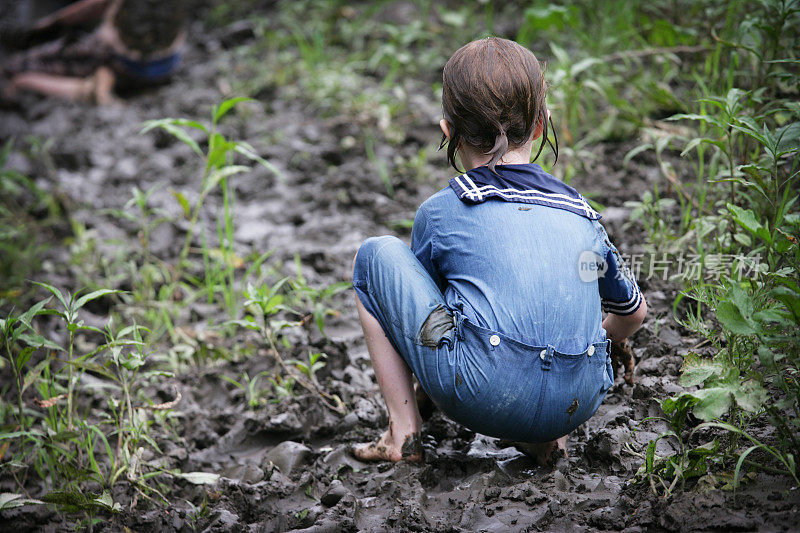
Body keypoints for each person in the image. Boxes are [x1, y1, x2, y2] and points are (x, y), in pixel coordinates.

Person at [351, 37, 647, 465]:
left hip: (481, 391)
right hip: (579, 401)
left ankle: (403, 433)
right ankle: (548, 442)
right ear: (543, 125)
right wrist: (600, 340)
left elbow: (427, 319)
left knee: (374, 256)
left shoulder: (442, 213)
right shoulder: (583, 217)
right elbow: (633, 314)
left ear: (448, 131)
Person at [2, 0, 186, 104]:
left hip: (119, 66)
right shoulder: (172, 19)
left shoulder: (108, 45)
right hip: (163, 66)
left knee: (16, 73)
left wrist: (45, 27)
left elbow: (84, 11)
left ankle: (92, 89)